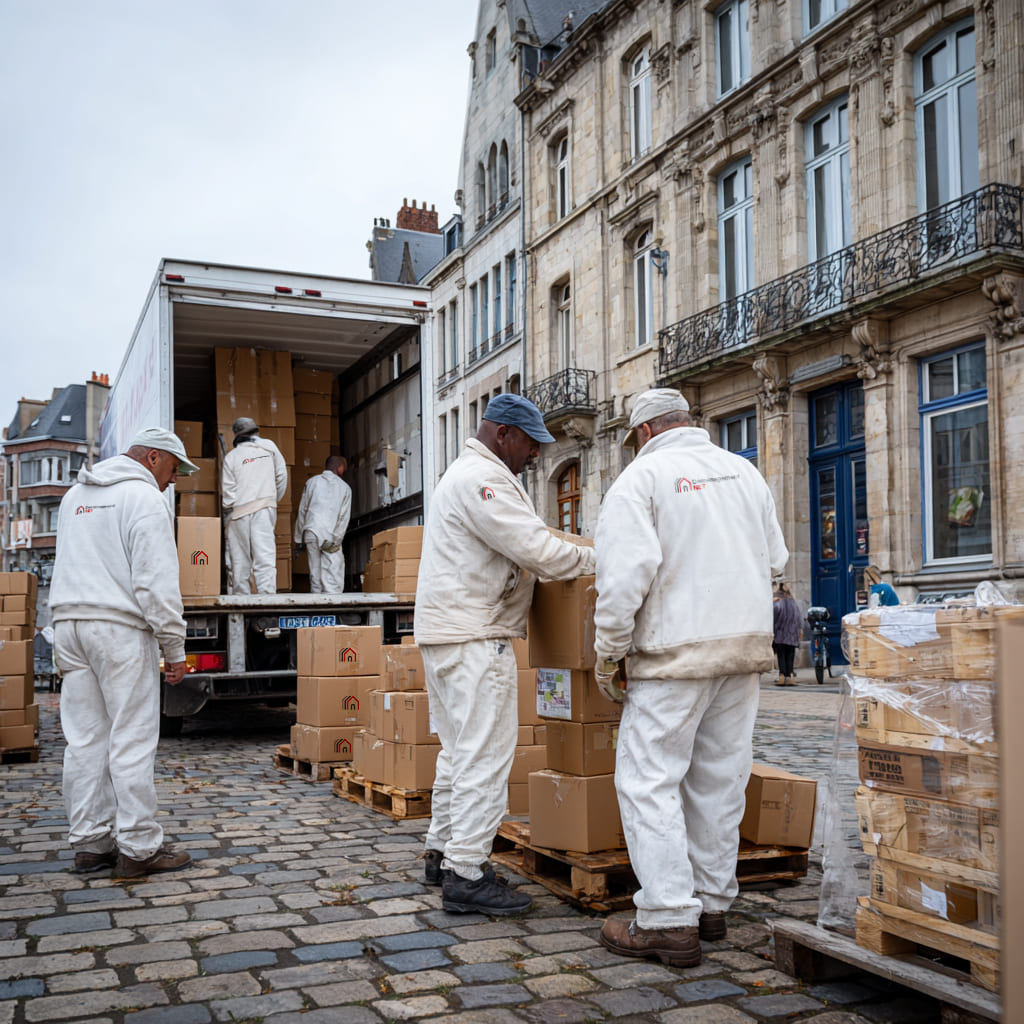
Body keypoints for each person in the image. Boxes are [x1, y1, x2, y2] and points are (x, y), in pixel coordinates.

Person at [592, 388, 788, 967]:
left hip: (672, 653)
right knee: (719, 781)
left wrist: (610, 653)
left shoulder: (641, 481)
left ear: (645, 434)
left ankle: (668, 918)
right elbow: (775, 559)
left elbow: (623, 578)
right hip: (741, 649)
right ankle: (711, 905)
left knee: (649, 779)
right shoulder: (744, 473)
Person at [414, 393, 596, 915]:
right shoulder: (483, 479)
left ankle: (443, 851)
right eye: (531, 443)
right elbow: (536, 549)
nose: (536, 455)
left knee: (458, 750)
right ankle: (467, 872)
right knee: (485, 755)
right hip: (474, 635)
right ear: (502, 435)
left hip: (451, 633)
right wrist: (602, 558)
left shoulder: (465, 474)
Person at [50, 427, 199, 879]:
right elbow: (155, 583)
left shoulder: (75, 495)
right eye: (174, 469)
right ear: (153, 458)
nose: (174, 480)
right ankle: (138, 847)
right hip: (117, 628)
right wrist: (174, 649)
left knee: (84, 741)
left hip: (68, 624)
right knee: (132, 737)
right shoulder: (143, 498)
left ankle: (90, 844)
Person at [221, 417, 288, 594]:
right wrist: (271, 500)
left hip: (239, 513)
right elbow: (281, 476)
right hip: (265, 509)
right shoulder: (269, 447)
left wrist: (232, 509)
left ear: (237, 435)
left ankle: (241, 600)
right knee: (264, 558)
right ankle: (267, 602)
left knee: (240, 560)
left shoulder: (232, 456)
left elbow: (228, 491)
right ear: (255, 431)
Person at [294, 455, 352, 593]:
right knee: (332, 571)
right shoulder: (345, 488)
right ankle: (331, 604)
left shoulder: (311, 482)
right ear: (340, 468)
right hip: (329, 535)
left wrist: (298, 538)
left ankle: (316, 601)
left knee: (315, 570)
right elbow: (343, 518)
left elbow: (302, 510)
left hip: (311, 531)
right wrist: (337, 540)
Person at [772, 583, 802, 686]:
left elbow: (774, 617)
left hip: (780, 634)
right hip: (792, 634)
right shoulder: (793, 603)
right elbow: (799, 618)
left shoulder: (778, 603)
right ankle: (790, 676)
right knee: (790, 655)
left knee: (781, 655)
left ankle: (782, 676)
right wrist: (799, 631)